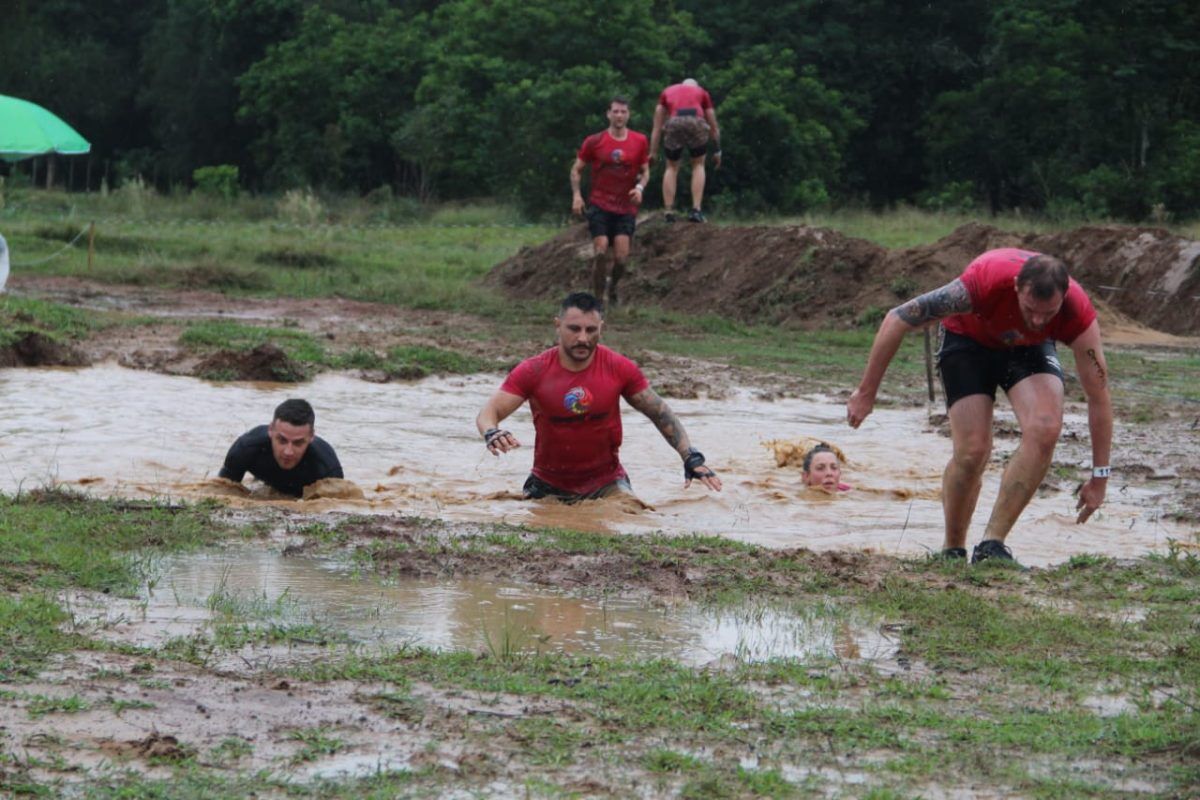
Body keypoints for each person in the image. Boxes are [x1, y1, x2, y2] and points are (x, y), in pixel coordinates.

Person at [847, 248, 1112, 565]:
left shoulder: (1076, 312)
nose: (1039, 319)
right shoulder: (983, 283)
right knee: (973, 451)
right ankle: (953, 549)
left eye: (1049, 313)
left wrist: (1100, 477)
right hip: (967, 341)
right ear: (1016, 287)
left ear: (1064, 297)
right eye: (1030, 309)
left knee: (1045, 427)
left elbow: (1099, 397)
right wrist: (866, 392)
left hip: (1027, 350)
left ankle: (992, 546)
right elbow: (898, 318)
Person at [476, 291, 722, 502]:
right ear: (557, 325)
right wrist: (491, 432)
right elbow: (489, 413)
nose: (583, 338)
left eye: (591, 330)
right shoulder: (534, 370)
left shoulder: (619, 368)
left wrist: (690, 456)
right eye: (574, 329)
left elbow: (659, 413)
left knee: (631, 515)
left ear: (601, 329)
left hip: (608, 485)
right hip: (546, 485)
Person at [570, 96, 650, 309]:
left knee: (622, 259)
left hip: (625, 207)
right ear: (608, 114)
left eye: (623, 112)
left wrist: (640, 188)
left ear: (628, 115)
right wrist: (577, 195)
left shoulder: (640, 140)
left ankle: (613, 287)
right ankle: (598, 300)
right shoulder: (594, 141)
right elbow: (577, 169)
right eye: (615, 111)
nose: (619, 116)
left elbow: (645, 171)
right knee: (600, 251)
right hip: (600, 204)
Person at [218, 398, 343, 498]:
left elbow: (337, 509)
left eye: (298, 443)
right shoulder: (246, 448)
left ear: (311, 437)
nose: (288, 452)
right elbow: (221, 491)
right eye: (282, 440)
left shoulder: (327, 467)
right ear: (271, 430)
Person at [648, 78, 721, 223]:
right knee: (698, 165)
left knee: (672, 167)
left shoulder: (667, 91)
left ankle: (668, 212)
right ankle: (696, 210)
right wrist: (718, 150)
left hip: (674, 122)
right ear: (695, 86)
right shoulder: (701, 92)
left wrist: (653, 152)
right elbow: (714, 125)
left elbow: (657, 128)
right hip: (696, 121)